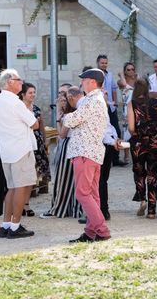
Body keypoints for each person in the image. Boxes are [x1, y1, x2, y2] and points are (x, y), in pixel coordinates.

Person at [63, 68, 110, 243]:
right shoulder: (98, 99)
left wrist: (64, 115)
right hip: (92, 152)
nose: (81, 83)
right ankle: (91, 232)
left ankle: (102, 229)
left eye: (83, 80)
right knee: (92, 194)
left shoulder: (92, 100)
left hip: (85, 152)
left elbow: (72, 120)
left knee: (83, 194)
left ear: (91, 82)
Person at [0, 69, 38, 239]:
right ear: (10, 82)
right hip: (21, 149)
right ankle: (15, 225)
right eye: (19, 79)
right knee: (21, 187)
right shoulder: (15, 102)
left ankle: (6, 225)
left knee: (11, 188)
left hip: (6, 149)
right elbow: (34, 124)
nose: (21, 82)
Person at [40, 85, 83, 219]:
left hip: (68, 146)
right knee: (68, 179)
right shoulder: (72, 111)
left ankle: (59, 208)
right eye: (59, 93)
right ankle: (70, 208)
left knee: (63, 179)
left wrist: (58, 114)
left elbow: (61, 134)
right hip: (69, 146)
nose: (61, 97)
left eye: (64, 94)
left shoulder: (71, 113)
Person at [127, 77, 157, 219]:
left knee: (139, 173)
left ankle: (142, 200)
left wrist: (136, 134)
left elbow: (131, 127)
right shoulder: (156, 102)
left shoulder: (131, 104)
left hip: (138, 143)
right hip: (155, 141)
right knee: (153, 175)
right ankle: (151, 211)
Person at [19, 82, 50, 216]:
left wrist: (45, 140)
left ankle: (26, 204)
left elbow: (41, 125)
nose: (33, 95)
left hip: (37, 144)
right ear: (23, 95)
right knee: (22, 176)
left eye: (34, 92)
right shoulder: (19, 109)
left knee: (32, 176)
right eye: (30, 93)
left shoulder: (36, 108)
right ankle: (21, 205)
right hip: (24, 144)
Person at [96, 54, 123, 168]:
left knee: (116, 131)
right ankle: (103, 158)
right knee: (102, 133)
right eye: (102, 63)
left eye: (106, 63)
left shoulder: (110, 74)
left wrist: (115, 103)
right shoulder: (95, 75)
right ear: (98, 63)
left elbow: (114, 89)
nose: (104, 64)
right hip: (100, 108)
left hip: (111, 107)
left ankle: (115, 158)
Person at [116, 61, 137, 165]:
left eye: (133, 69)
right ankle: (126, 156)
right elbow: (124, 84)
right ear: (125, 71)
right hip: (126, 110)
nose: (131, 71)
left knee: (136, 132)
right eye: (128, 70)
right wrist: (121, 75)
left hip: (137, 108)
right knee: (126, 134)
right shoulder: (121, 82)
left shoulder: (137, 82)